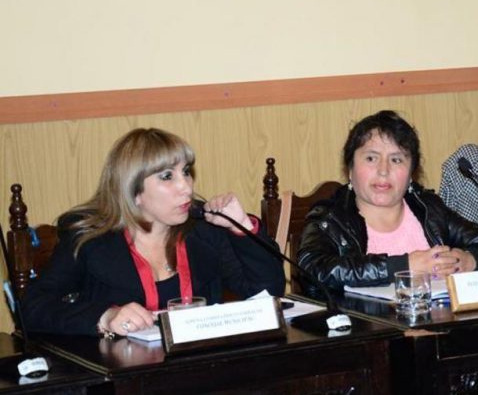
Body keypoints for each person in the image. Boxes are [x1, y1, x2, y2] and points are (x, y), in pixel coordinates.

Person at [24, 128, 284, 336]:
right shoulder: (90, 240)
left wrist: (242, 228)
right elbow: (33, 307)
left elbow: (268, 293)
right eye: (167, 177)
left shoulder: (204, 231)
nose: (186, 188)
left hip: (201, 368)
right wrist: (105, 316)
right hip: (125, 375)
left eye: (186, 172)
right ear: (133, 191)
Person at [297, 110, 478, 295]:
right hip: (363, 330)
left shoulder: (429, 210)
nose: (384, 170)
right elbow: (312, 270)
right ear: (350, 170)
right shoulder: (329, 218)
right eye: (371, 158)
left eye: (396, 159)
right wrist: (403, 266)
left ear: (411, 173)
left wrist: (471, 260)